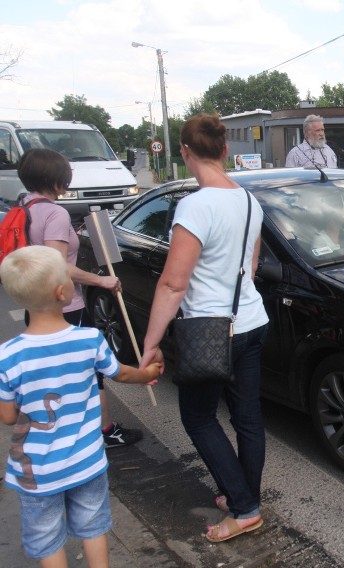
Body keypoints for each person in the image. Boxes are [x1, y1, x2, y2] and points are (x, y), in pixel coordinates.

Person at [140, 114, 269, 543]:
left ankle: (245, 507)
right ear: (225, 151)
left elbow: (175, 282)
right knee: (248, 417)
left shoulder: (195, 205)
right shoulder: (249, 199)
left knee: (197, 416)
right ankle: (244, 496)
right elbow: (249, 265)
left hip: (210, 330)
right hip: (252, 320)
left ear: (185, 152)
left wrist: (151, 341)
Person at [0, 245, 160, 568]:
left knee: (47, 539)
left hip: (37, 472)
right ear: (62, 292)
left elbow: (7, 416)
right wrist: (148, 373)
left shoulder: (8, 356)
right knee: (93, 529)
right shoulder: (89, 340)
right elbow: (120, 373)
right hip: (86, 462)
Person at [16, 147, 143, 449]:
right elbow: (58, 266)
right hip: (66, 308)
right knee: (92, 370)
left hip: (35, 307)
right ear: (58, 179)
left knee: (53, 375)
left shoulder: (24, 207)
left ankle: (57, 431)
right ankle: (104, 430)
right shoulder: (55, 213)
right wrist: (102, 280)